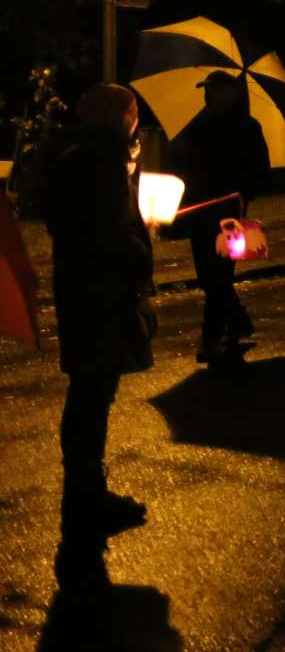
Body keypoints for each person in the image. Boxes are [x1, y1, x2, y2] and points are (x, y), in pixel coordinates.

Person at [41, 84, 156, 593]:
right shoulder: (103, 161)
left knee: (90, 391)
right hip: (102, 295)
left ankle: (86, 492)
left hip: (79, 290)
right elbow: (112, 233)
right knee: (92, 393)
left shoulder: (72, 156)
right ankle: (86, 500)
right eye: (132, 116)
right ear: (121, 119)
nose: (136, 125)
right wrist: (139, 245)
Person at [167, 70, 271, 362]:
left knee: (217, 275)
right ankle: (235, 324)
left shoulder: (243, 128)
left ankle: (214, 335)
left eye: (212, 90)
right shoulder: (200, 126)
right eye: (206, 89)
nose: (206, 95)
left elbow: (260, 171)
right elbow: (178, 163)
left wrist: (243, 191)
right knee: (213, 276)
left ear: (228, 94)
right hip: (203, 214)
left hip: (227, 215)